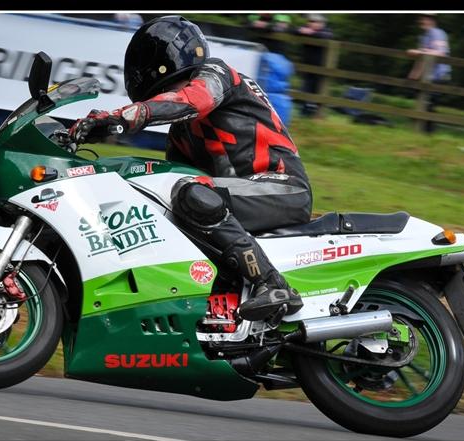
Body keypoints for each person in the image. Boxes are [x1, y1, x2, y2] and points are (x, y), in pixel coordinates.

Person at [68, 16, 312, 323]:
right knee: (165, 200)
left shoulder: (219, 74)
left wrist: (125, 115)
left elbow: (192, 100)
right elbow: (165, 175)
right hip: (245, 193)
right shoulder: (182, 132)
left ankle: (273, 285)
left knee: (190, 192)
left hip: (283, 187)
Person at [407, 13, 451, 133]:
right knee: (424, 104)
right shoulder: (424, 36)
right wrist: (414, 75)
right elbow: (422, 59)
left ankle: (427, 134)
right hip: (428, 76)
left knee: (428, 106)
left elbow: (441, 53)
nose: (420, 21)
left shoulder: (437, 33)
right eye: (420, 18)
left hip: (439, 75)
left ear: (431, 20)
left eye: (423, 18)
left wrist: (419, 52)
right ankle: (423, 133)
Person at [296, 14, 334, 116]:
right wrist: (302, 31)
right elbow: (294, 30)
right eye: (310, 21)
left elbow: (327, 36)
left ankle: (316, 114)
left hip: (321, 68)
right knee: (305, 88)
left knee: (318, 90)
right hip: (307, 67)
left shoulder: (326, 31)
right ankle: (305, 111)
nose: (312, 24)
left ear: (322, 23)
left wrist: (310, 32)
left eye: (315, 22)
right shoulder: (305, 30)